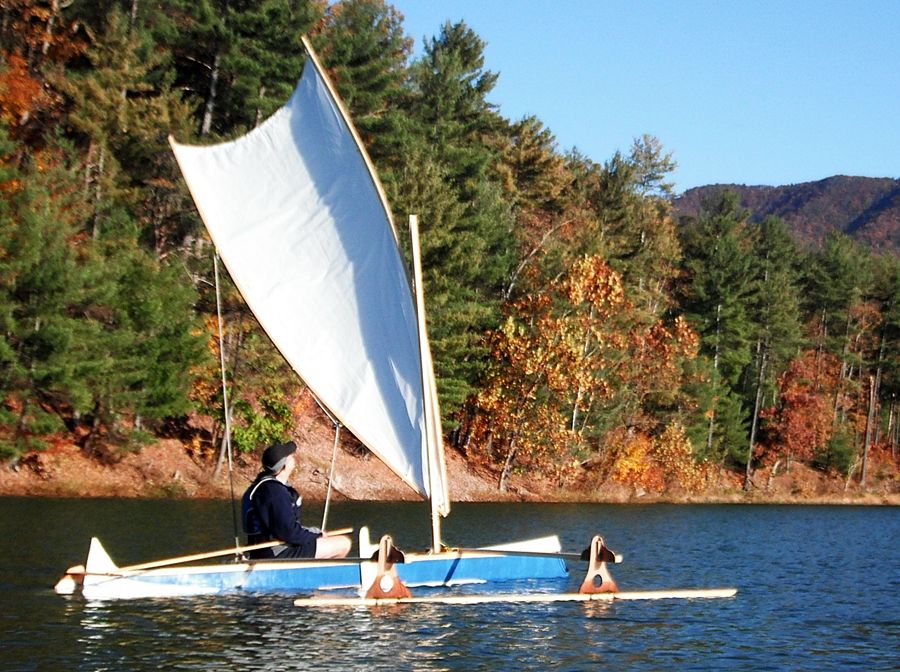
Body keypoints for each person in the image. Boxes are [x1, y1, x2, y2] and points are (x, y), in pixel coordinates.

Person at [241, 440, 351, 560]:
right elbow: (288, 532)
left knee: (324, 539)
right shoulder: (275, 492)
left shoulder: (259, 487)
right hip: (276, 553)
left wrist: (313, 533)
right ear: (284, 466)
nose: (294, 458)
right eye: (290, 457)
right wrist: (316, 536)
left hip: (261, 552)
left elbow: (285, 528)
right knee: (343, 544)